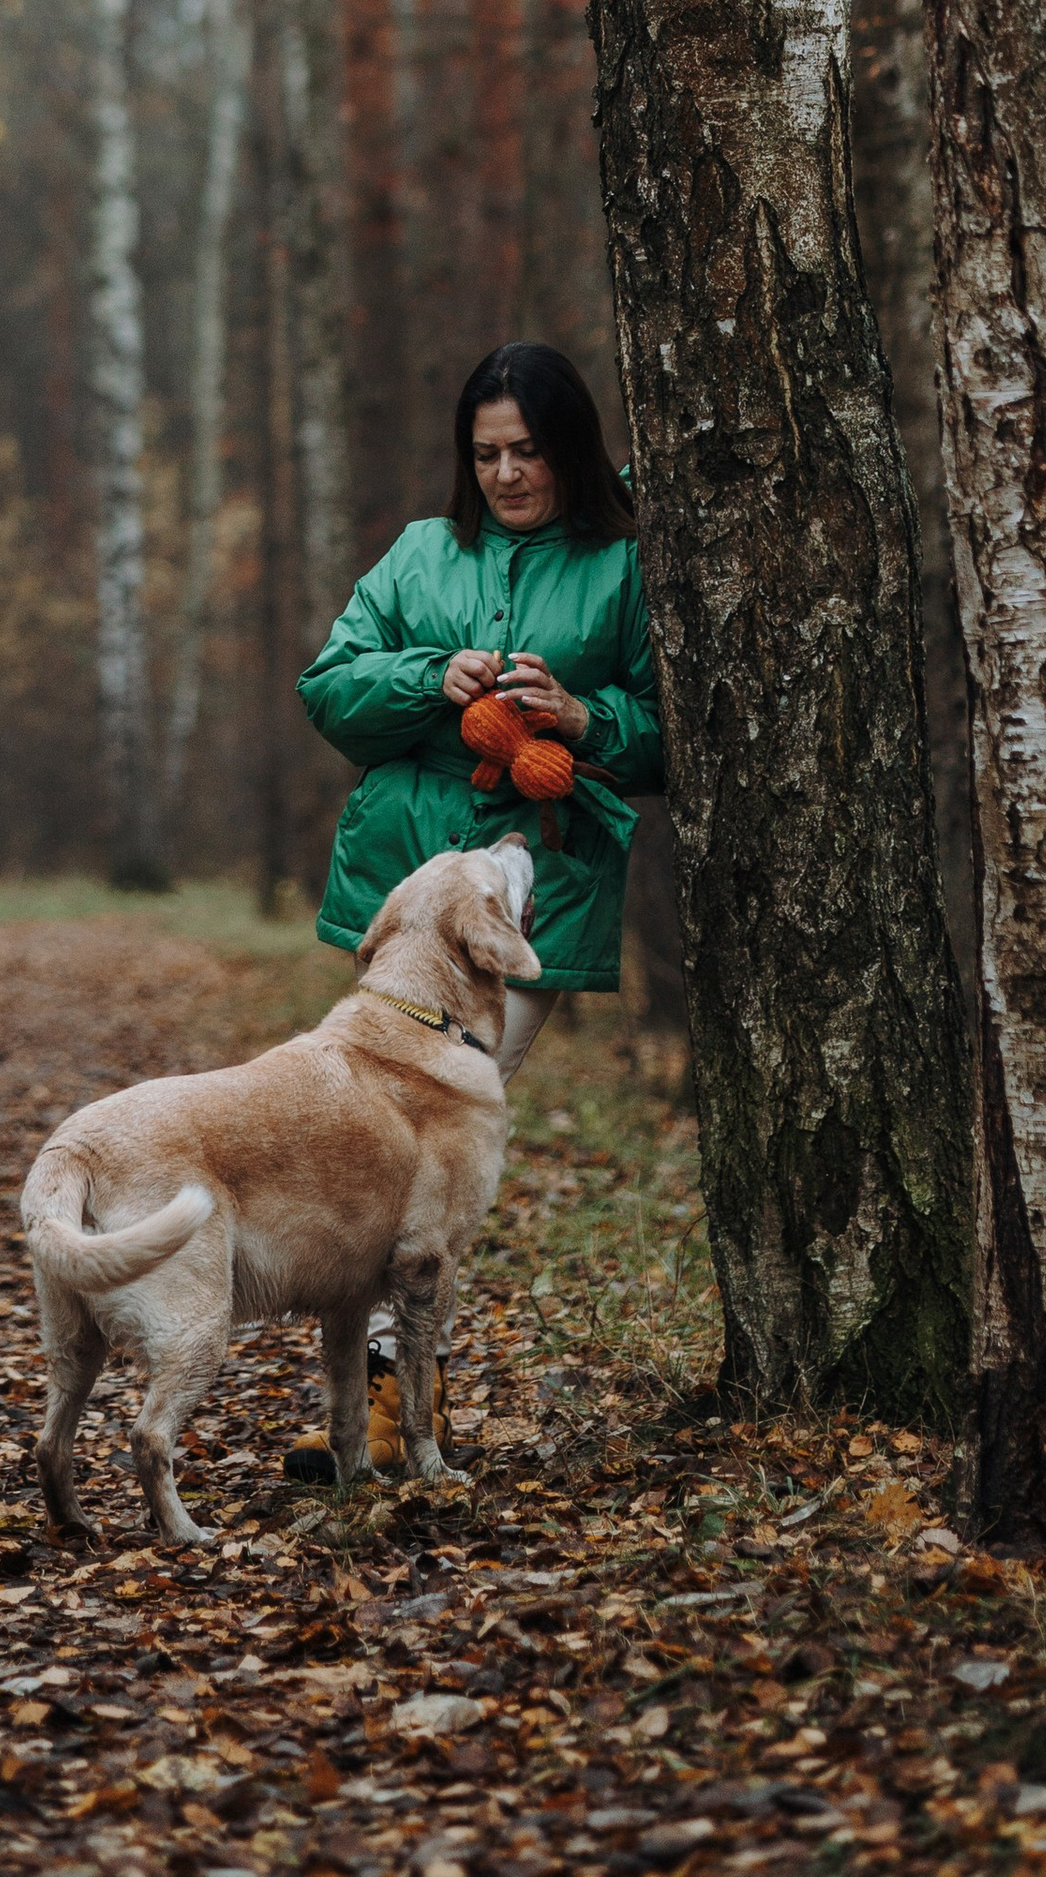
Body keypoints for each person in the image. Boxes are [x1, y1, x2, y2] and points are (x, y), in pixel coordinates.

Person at [280, 341, 663, 1480]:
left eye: (528, 450)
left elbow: (670, 725)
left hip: (533, 907)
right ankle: (373, 1407)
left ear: (570, 450)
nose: (505, 475)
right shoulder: (418, 554)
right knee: (374, 1147)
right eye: (486, 453)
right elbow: (329, 694)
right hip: (401, 904)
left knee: (436, 1153)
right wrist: (425, 678)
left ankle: (400, 1402)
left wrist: (585, 717)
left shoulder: (622, 566)